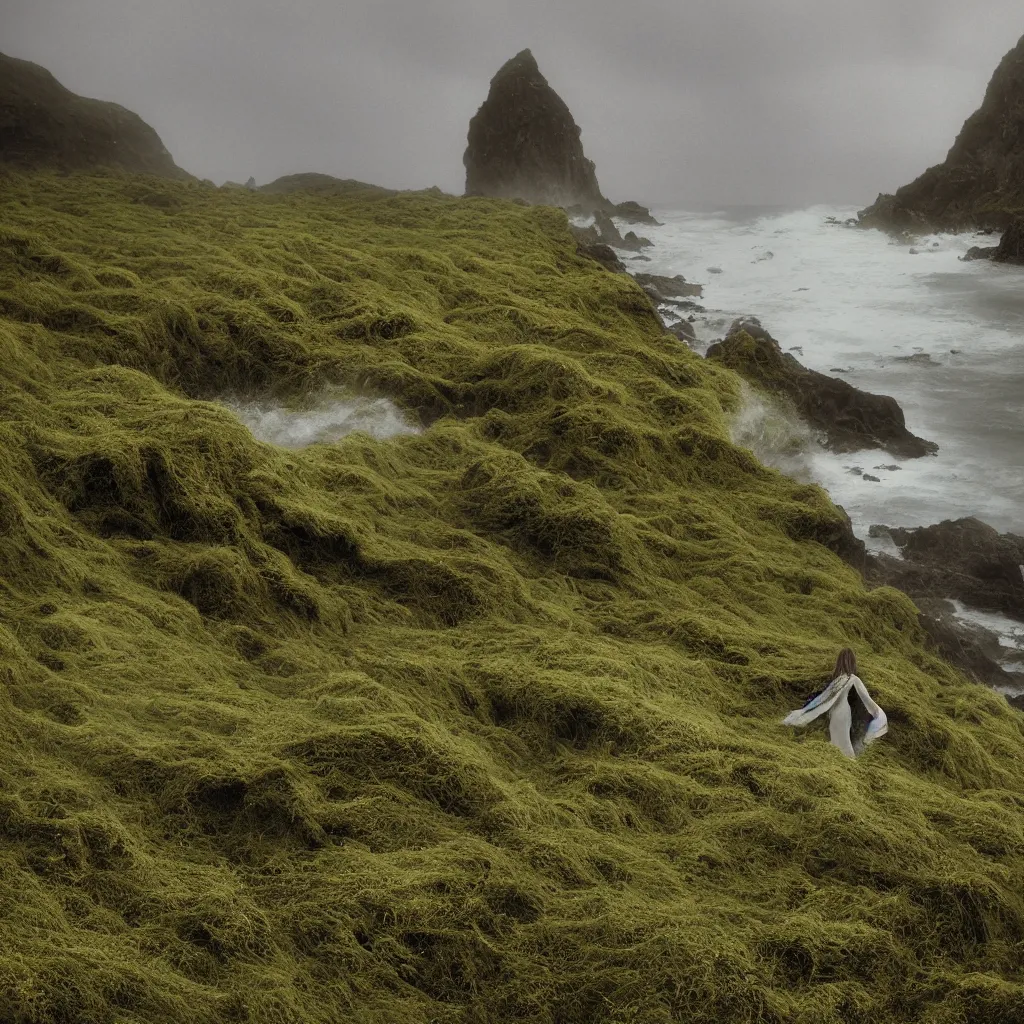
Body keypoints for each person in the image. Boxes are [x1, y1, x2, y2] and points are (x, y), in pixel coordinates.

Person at [782, 648, 888, 758]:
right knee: (843, 744)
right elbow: (866, 699)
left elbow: (821, 700)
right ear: (852, 662)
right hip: (842, 713)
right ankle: (847, 764)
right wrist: (877, 713)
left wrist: (805, 711)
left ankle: (843, 763)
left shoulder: (837, 681)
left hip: (834, 713)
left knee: (839, 742)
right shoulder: (852, 679)